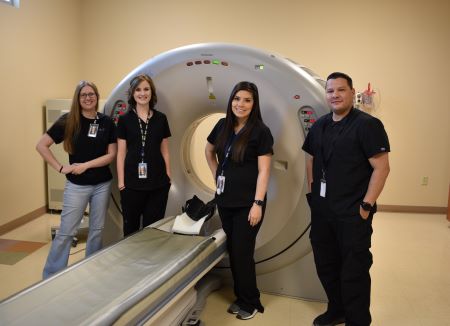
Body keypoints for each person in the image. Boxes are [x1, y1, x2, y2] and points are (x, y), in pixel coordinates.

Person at [302, 72, 390, 326]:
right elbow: (310, 159)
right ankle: (337, 309)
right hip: (323, 210)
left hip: (353, 211)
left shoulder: (367, 125)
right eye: (330, 91)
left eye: (341, 90)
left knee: (354, 269)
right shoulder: (319, 125)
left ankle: (357, 320)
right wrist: (312, 193)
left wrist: (366, 205)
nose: (335, 95)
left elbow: (381, 168)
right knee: (326, 263)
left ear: (353, 93)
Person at [205, 81, 273, 320]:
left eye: (247, 100)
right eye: (237, 99)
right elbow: (209, 151)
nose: (240, 104)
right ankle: (241, 296)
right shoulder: (222, 125)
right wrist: (216, 176)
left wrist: (258, 203)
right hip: (225, 202)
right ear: (231, 100)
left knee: (243, 253)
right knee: (234, 251)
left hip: (248, 204)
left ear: (254, 104)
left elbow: (264, 171)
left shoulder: (260, 131)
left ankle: (251, 301)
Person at [36, 81, 117, 279]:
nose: (88, 98)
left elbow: (111, 155)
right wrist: (61, 168)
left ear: (97, 97)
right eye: (84, 95)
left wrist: (85, 165)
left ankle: (92, 271)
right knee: (66, 233)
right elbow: (41, 145)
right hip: (76, 185)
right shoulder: (69, 121)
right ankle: (51, 276)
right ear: (78, 99)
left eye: (92, 94)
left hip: (102, 184)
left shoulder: (106, 122)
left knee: (97, 230)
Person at [117, 74, 171, 237]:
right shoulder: (125, 120)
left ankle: (151, 262)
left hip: (158, 184)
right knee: (131, 229)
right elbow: (120, 153)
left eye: (146, 89)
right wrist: (121, 183)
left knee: (153, 230)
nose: (142, 93)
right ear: (133, 93)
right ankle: (131, 262)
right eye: (138, 89)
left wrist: (168, 175)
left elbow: (165, 150)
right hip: (131, 184)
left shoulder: (161, 118)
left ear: (151, 92)